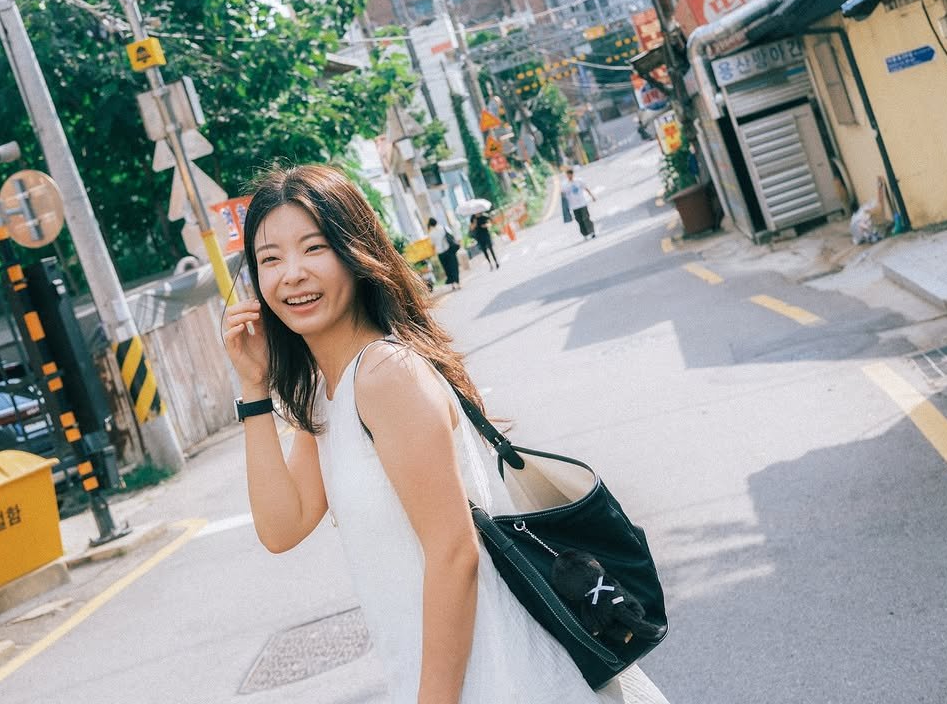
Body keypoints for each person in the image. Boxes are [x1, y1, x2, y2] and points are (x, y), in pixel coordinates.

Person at [222, 164, 669, 704]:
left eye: (314, 248)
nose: (292, 274)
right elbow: (282, 527)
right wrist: (254, 387)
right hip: (454, 677)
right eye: (270, 259)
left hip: (506, 677)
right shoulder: (328, 392)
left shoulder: (385, 374)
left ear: (355, 253)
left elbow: (455, 553)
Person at [427, 217, 461, 290]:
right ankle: (457, 283)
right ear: (436, 222)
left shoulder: (431, 233)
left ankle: (453, 284)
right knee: (454, 266)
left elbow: (432, 245)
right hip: (449, 250)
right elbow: (451, 235)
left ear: (430, 224)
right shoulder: (443, 228)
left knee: (447, 269)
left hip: (441, 253)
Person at [563, 167, 597, 239]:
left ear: (572, 174)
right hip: (574, 206)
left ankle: (592, 232)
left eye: (570, 174)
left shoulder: (579, 181)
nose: (569, 176)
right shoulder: (565, 185)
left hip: (582, 203)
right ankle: (585, 234)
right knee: (579, 220)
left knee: (586, 218)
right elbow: (564, 196)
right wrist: (566, 208)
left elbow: (586, 188)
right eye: (568, 175)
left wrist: (592, 196)